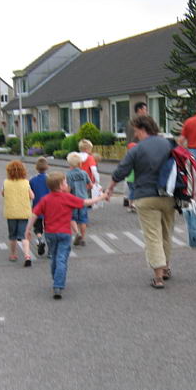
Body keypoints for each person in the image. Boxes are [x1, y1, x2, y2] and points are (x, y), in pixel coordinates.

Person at [106, 115, 174, 289]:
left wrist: (110, 188)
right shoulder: (168, 144)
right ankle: (166, 268)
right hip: (168, 195)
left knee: (153, 236)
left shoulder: (137, 149)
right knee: (166, 233)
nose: (135, 135)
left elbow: (121, 171)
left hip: (146, 196)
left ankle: (158, 277)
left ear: (143, 129)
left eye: (136, 131)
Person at [25, 171, 107, 299]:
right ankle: (58, 285)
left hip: (50, 234)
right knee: (62, 258)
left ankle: (56, 277)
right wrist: (102, 197)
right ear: (60, 186)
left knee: (54, 256)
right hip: (64, 233)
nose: (67, 184)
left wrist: (28, 230)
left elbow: (34, 214)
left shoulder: (45, 199)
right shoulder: (67, 198)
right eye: (65, 182)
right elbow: (86, 202)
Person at [2, 160, 34, 267]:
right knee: (24, 235)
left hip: (11, 213)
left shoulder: (6, 182)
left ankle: (13, 254)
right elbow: (32, 196)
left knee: (12, 236)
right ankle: (27, 255)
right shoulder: (26, 182)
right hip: (23, 212)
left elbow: (3, 193)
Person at [124, 102, 148, 207]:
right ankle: (137, 199)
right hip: (139, 149)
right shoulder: (142, 123)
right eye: (144, 109)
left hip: (130, 148)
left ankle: (127, 197)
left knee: (129, 175)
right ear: (139, 110)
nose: (146, 111)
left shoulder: (130, 122)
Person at [66, 152, 92, 246]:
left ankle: (77, 233)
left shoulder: (69, 175)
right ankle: (83, 238)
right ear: (79, 163)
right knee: (83, 219)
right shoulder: (84, 173)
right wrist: (84, 190)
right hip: (83, 200)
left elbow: (68, 189)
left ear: (69, 164)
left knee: (71, 218)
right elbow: (90, 185)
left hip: (73, 200)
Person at [29, 157, 50, 256]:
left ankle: (40, 239)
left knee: (37, 227)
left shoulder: (32, 180)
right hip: (49, 208)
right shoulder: (50, 179)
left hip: (37, 207)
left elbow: (30, 194)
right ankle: (50, 251)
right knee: (48, 227)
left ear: (36, 168)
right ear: (47, 167)